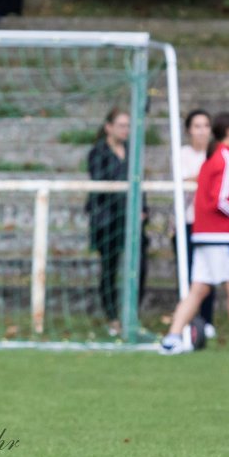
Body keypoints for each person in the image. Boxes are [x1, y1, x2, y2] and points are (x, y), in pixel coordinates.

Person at [159, 113, 229, 355]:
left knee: (198, 289)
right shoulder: (225, 159)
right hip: (221, 236)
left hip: (203, 233)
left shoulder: (213, 158)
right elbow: (220, 201)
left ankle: (171, 338)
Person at [86, 108, 149, 337]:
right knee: (109, 270)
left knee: (140, 267)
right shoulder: (98, 153)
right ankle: (112, 318)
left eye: (128, 125)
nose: (126, 130)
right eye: (121, 125)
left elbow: (140, 183)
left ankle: (131, 316)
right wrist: (126, 209)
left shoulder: (133, 151)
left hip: (133, 222)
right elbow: (103, 187)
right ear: (108, 127)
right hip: (109, 221)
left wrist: (142, 210)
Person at [177, 109, 217, 339]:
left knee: (208, 276)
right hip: (186, 221)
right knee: (188, 273)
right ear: (189, 130)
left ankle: (206, 320)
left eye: (206, 126)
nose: (202, 131)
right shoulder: (182, 153)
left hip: (208, 224)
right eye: (197, 126)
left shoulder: (215, 154)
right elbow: (184, 180)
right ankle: (188, 320)